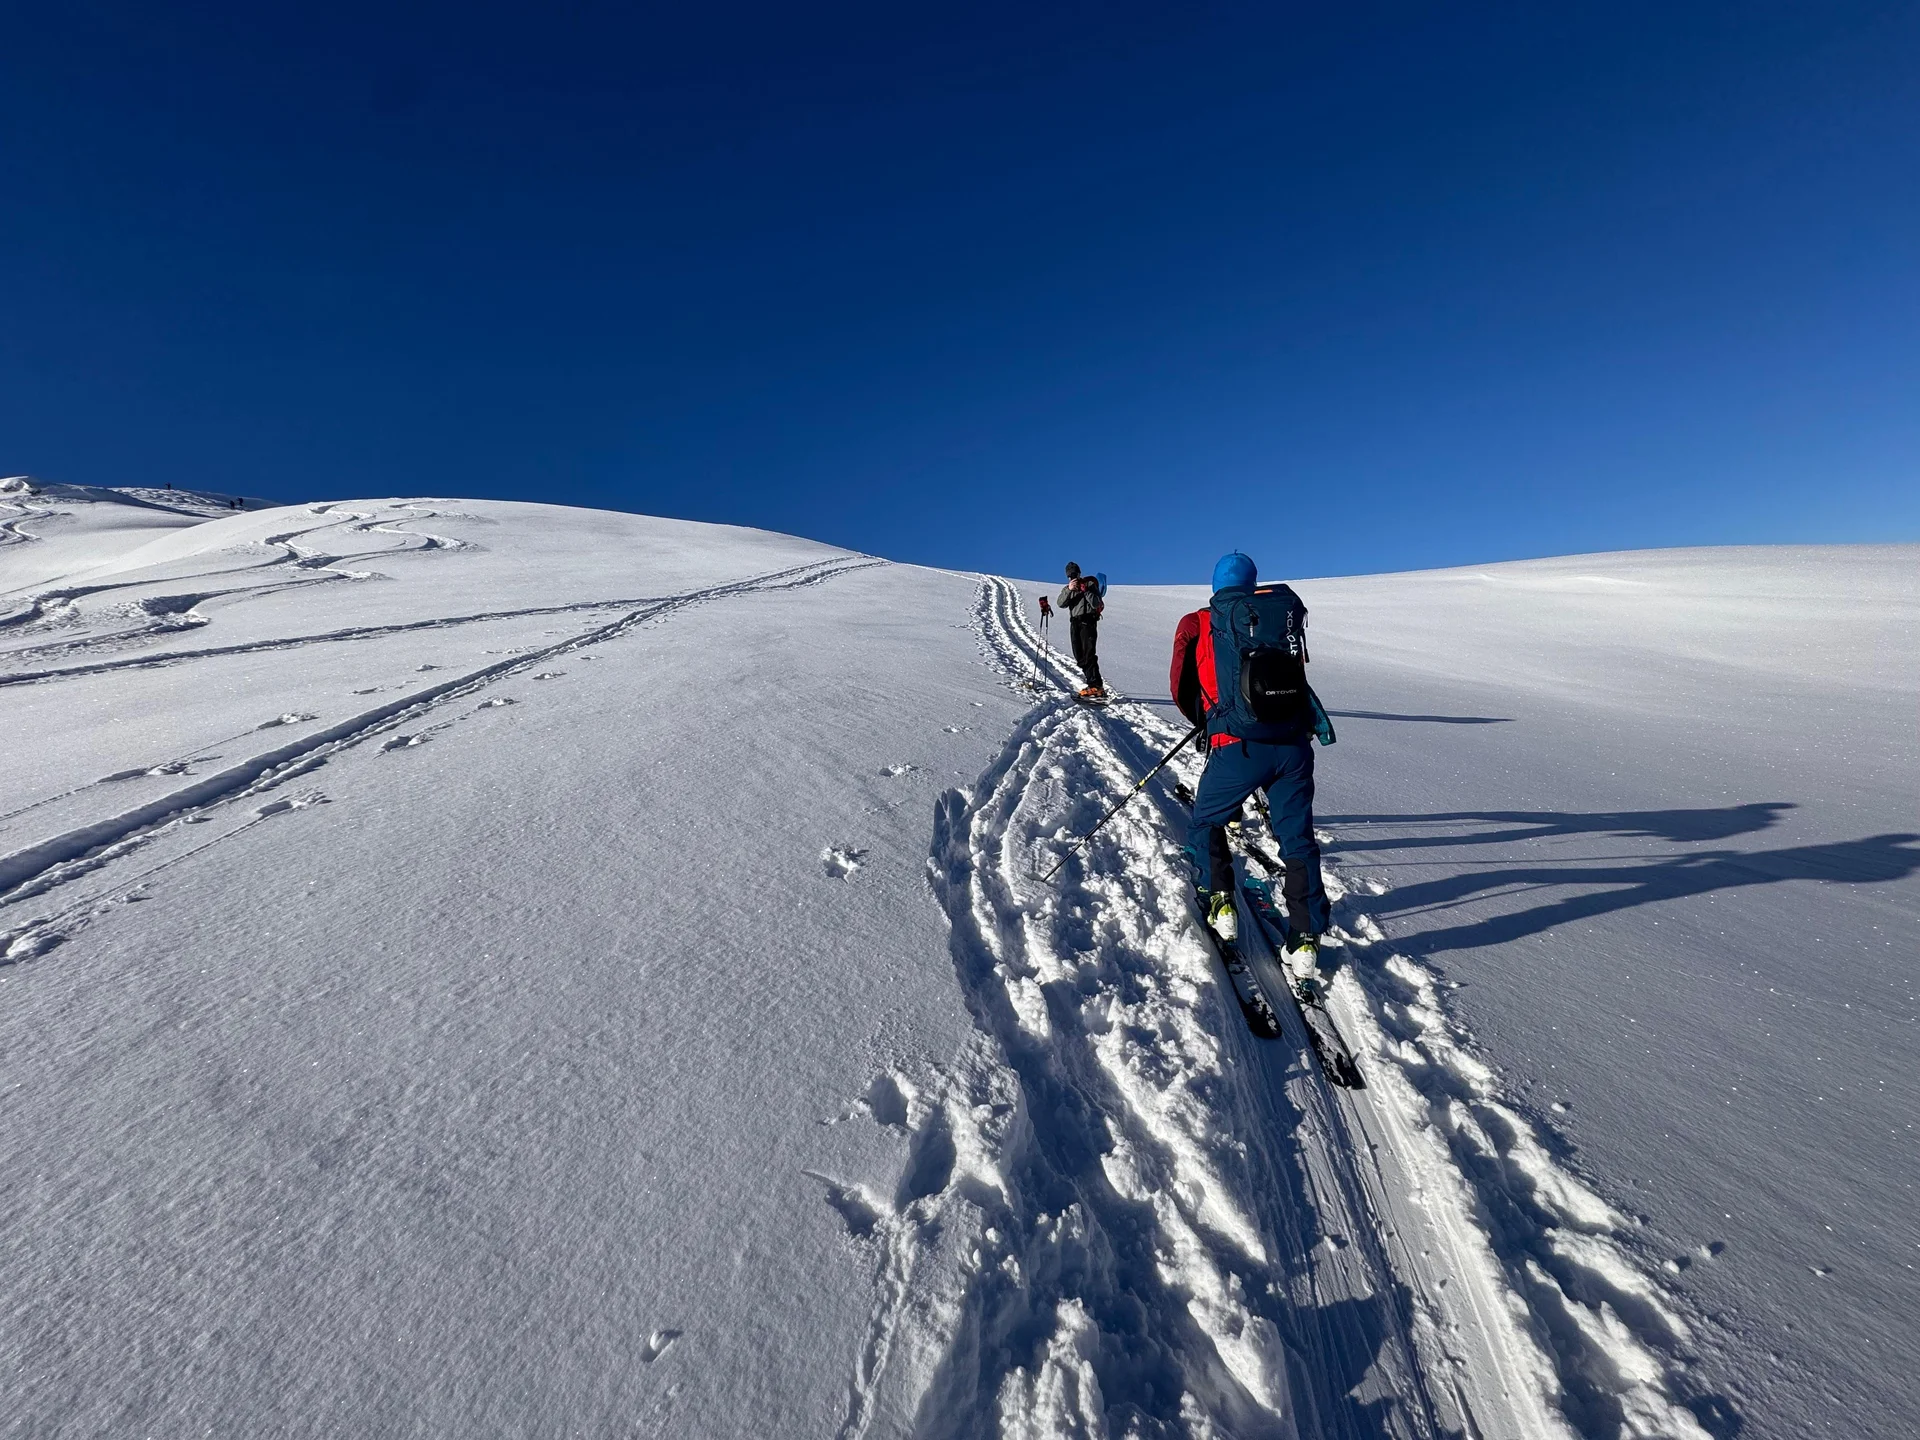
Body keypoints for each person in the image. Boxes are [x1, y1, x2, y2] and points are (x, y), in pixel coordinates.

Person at [1170, 551, 1332, 979]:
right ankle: (1305, 940)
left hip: (1237, 748)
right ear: (1252, 582)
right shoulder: (1279, 617)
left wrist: (1208, 721)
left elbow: (1180, 687)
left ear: (1215, 585)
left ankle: (1221, 901)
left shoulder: (1199, 621)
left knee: (1206, 820)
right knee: (1297, 840)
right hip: (1294, 747)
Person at [1057, 562, 1106, 699]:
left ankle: (1096, 686)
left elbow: (1097, 603)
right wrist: (1069, 590)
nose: (1073, 577)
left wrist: (1086, 591)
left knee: (1089, 653)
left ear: (1079, 573)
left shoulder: (1089, 585)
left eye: (1075, 574)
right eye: (1070, 575)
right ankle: (1092, 684)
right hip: (1075, 622)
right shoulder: (1068, 588)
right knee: (1079, 655)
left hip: (1088, 621)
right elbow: (1060, 603)